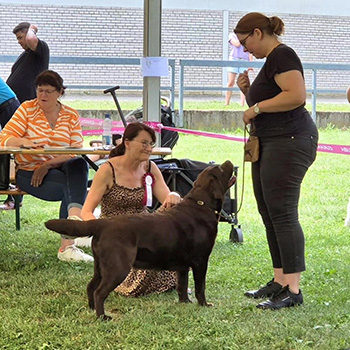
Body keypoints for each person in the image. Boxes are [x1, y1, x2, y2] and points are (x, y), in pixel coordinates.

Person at [235, 12, 318, 310]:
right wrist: (247, 92)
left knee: (282, 212)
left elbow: (296, 96)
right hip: (271, 141)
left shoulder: (283, 55)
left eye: (245, 43)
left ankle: (293, 290)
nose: (246, 50)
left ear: (258, 33)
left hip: (291, 140)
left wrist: (255, 107)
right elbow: (272, 101)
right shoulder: (271, 62)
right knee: (268, 211)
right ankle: (279, 280)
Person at [0, 70, 92, 262]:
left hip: (57, 169)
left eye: (49, 91)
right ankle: (73, 236)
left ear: (60, 92)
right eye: (40, 90)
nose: (43, 95)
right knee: (73, 186)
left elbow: (75, 149)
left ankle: (72, 231)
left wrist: (48, 165)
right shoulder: (27, 109)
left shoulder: (70, 115)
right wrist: (22, 142)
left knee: (79, 165)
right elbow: (4, 138)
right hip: (28, 171)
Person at [81, 122, 182, 297]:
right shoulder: (107, 170)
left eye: (151, 144)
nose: (149, 148)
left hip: (143, 228)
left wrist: (174, 195)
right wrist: (103, 232)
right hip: (117, 233)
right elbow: (86, 211)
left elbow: (167, 201)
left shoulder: (150, 167)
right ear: (127, 143)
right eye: (144, 143)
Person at [1, 22, 50, 210]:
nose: (21, 42)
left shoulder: (41, 50)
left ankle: (15, 197)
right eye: (18, 39)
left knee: (17, 148)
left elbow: (31, 39)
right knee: (8, 146)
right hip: (12, 106)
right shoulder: (25, 56)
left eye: (21, 37)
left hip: (22, 108)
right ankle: (8, 190)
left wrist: (33, 28)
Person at [225, 31, 252, 106]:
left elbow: (250, 50)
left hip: (244, 60)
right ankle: (227, 103)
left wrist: (251, 63)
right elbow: (237, 44)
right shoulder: (232, 35)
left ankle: (242, 104)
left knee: (243, 82)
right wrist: (243, 38)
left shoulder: (247, 36)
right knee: (231, 82)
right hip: (234, 59)